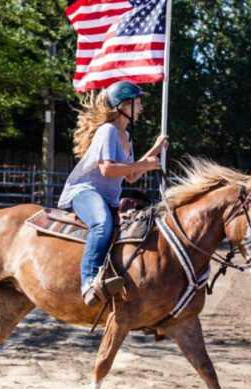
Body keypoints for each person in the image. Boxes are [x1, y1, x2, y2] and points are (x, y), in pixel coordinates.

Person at [57, 81, 168, 307]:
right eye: (137, 103)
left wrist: (155, 151)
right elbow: (107, 169)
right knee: (102, 224)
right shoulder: (107, 131)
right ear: (123, 105)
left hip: (107, 197)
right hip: (85, 191)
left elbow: (131, 176)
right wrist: (145, 163)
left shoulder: (126, 136)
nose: (141, 108)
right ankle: (89, 281)